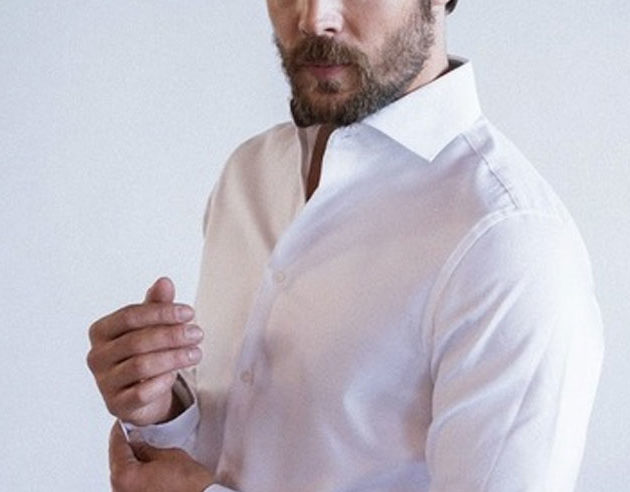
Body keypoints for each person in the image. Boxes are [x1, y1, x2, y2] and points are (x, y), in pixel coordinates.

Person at [87, 0, 604, 490]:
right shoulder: (249, 173)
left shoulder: (509, 243)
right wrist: (162, 410)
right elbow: (228, 453)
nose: (315, 18)